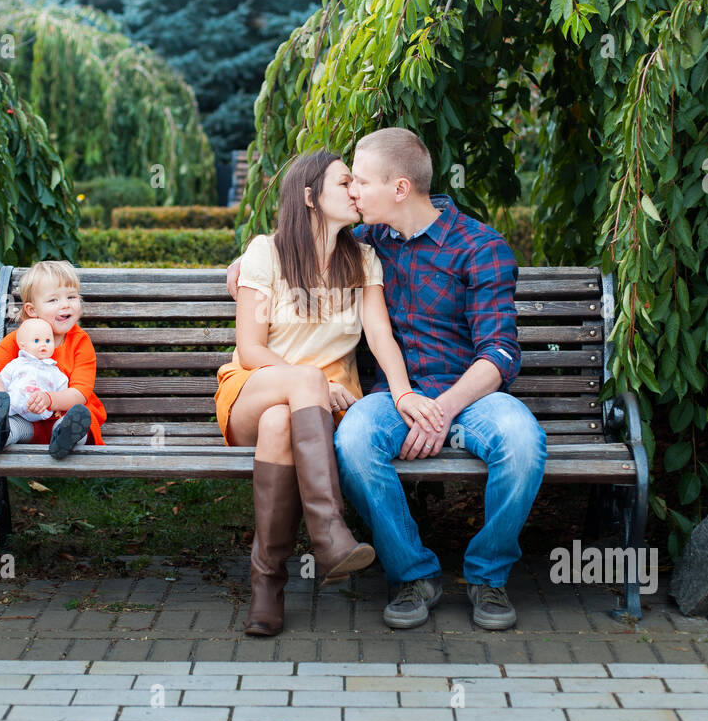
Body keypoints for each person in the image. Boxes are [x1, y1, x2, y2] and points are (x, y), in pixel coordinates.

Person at [227, 128, 547, 631]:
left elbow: (501, 352)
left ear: (400, 189)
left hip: (469, 396)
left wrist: (441, 407)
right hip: (390, 397)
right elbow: (299, 243)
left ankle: (489, 576)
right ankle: (412, 575)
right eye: (347, 183)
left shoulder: (477, 247)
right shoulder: (370, 239)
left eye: (362, 183)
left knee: (524, 441)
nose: (354, 193)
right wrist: (246, 261)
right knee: (352, 441)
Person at [216, 150, 445, 637]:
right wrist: (312, 380)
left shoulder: (362, 258)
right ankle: (330, 535)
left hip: (316, 414)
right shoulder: (266, 253)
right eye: (345, 184)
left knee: (282, 424)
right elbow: (251, 349)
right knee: (293, 392)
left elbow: (381, 338)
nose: (356, 192)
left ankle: (267, 591)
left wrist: (402, 394)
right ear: (309, 196)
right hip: (253, 390)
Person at [0, 260, 108, 457]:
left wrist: (49, 399)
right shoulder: (19, 338)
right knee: (15, 425)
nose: (65, 304)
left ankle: (66, 436)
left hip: (64, 414)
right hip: (27, 420)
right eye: (53, 300)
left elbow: (80, 393)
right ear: (32, 310)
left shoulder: (80, 342)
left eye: (71, 296)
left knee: (81, 417)